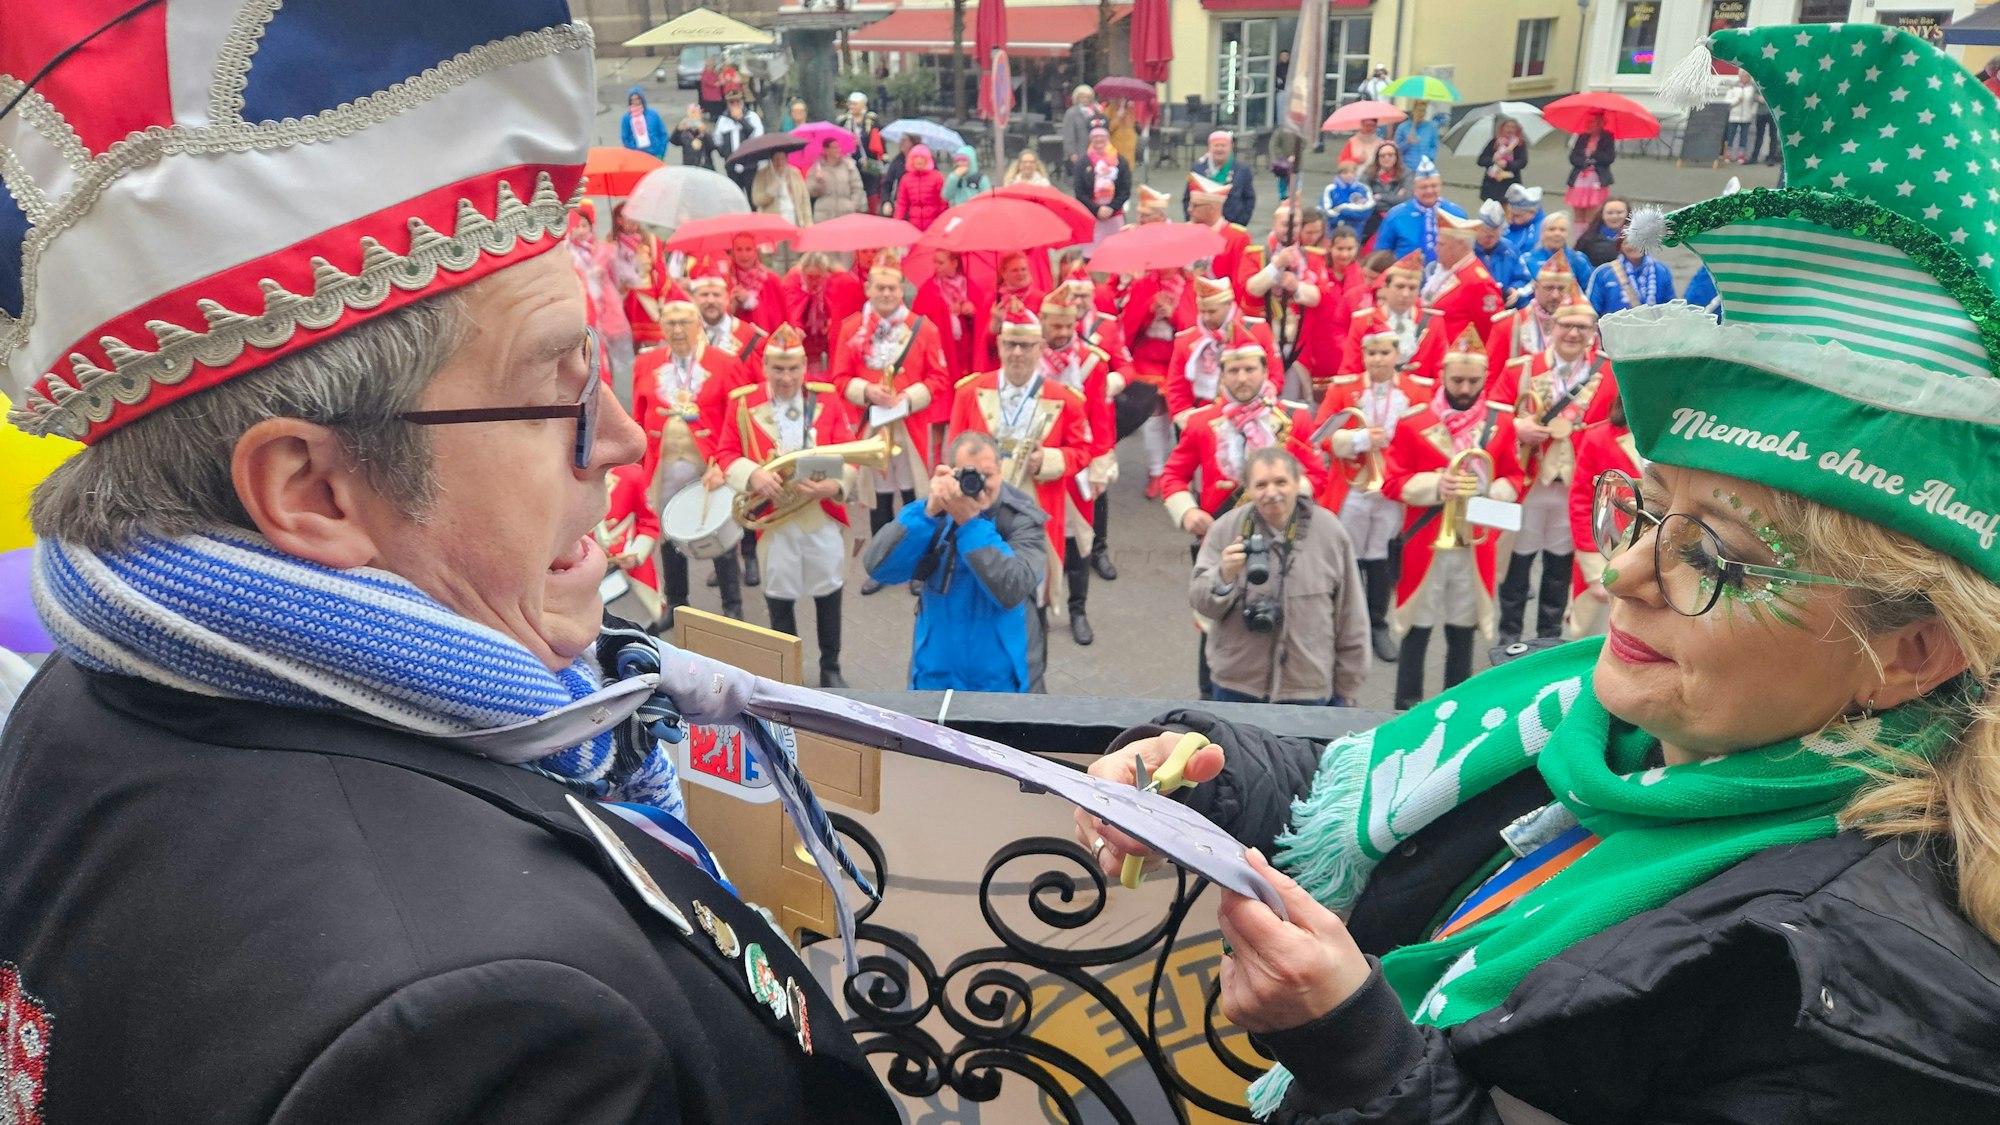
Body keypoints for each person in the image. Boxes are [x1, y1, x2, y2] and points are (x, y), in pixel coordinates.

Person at [1078, 26, 2000, 1124]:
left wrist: (1356, 1055)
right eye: (1651, 514)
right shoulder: (1604, 727)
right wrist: (1213, 770)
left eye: (1714, 558)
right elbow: (1413, 829)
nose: (1620, 570)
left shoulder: (1865, 994)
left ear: (1906, 655)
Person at [0, 5, 901, 1118]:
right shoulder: (497, 1023)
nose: (618, 438)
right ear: (314, 493)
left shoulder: (81, 700)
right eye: (559, 382)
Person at [1163, 331, 1327, 697]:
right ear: (1221, 375)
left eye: (1249, 369)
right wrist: (1187, 512)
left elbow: (1317, 476)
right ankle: (1210, 702)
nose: (1242, 378)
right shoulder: (1201, 422)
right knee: (1212, 619)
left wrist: (1279, 494)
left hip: (1283, 542)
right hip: (1221, 543)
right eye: (1233, 370)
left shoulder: (1293, 422)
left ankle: (1273, 690)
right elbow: (1173, 475)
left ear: (1265, 371)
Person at [1382, 327, 1525, 707]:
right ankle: (1405, 707)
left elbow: (1514, 475)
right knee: (1417, 627)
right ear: (1442, 376)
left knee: (1463, 629)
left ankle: (1454, 706)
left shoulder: (1502, 423)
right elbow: (1391, 482)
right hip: (1426, 540)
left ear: (1484, 380)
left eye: (1473, 381)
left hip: (1474, 541)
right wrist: (1435, 485)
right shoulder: (1413, 423)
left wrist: (1491, 492)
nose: (1464, 388)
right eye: (1457, 380)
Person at [947, 305, 1095, 660]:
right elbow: (952, 450)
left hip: (1035, 516)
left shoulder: (1065, 398)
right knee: (978, 589)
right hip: (978, 512)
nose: (1017, 353)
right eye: (1011, 344)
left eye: (1025, 346)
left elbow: (1083, 451)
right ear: (999, 345)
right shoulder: (971, 392)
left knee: (1033, 598)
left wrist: (1051, 460)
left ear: (1041, 347)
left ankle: (1032, 675)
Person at [715, 325, 856, 688]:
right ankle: (787, 674)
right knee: (779, 594)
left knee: (829, 588)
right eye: (778, 369)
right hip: (773, 519)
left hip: (819, 514)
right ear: (764, 367)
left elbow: (851, 452)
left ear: (805, 366)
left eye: (793, 369)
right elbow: (726, 453)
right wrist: (753, 475)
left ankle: (831, 666)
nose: (787, 377)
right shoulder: (743, 404)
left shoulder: (827, 399)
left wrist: (834, 485)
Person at [861, 432, 1048, 691]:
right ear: (949, 473)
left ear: (1001, 470)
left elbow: (1012, 588)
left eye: (988, 474)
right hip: (936, 678)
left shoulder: (1021, 519)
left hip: (1001, 685)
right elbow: (878, 567)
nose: (980, 484)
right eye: (968, 475)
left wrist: (970, 525)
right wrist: (926, 515)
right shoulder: (933, 515)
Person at [1195, 445, 1370, 705]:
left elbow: (1351, 615)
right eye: (1261, 485)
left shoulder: (1331, 532)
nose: (1271, 493)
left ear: (1298, 482)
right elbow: (1201, 603)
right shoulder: (1225, 529)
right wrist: (1224, 575)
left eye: (1281, 482)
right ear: (1248, 489)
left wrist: (1347, 687)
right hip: (1237, 684)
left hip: (1306, 687)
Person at [832, 263, 953, 592]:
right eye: (880, 287)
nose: (886, 294)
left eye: (893, 288)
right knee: (879, 503)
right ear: (869, 289)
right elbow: (839, 378)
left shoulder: (923, 329)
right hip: (873, 431)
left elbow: (939, 378)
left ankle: (920, 566)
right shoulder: (851, 329)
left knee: (918, 501)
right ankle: (882, 565)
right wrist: (867, 391)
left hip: (910, 428)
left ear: (902, 291)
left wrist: (907, 398)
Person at [1496, 296, 1608, 646]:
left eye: (1582, 327)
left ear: (1592, 333)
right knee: (1518, 556)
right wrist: (1517, 427)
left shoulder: (1607, 373)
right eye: (1566, 325)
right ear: (1551, 327)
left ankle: (1548, 638)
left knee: (1560, 563)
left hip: (1576, 485)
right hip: (1530, 478)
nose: (1573, 334)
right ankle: (1509, 635)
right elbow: (1492, 413)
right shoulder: (1523, 368)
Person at [1313, 329, 1429, 662]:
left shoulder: (1416, 391)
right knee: (1347, 555)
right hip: (1352, 487)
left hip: (1390, 489)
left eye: (1384, 353)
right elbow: (1321, 435)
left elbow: (1424, 437)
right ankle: (1342, 625)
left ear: (1397, 355)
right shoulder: (1342, 388)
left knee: (1379, 555)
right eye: (1371, 353)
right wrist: (1359, 439)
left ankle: (1377, 623)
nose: (1377, 359)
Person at [634, 300, 751, 617]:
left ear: (699, 325)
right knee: (669, 535)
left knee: (719, 533)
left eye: (685, 322)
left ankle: (732, 607)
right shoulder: (646, 364)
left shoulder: (724, 363)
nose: (678, 329)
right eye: (670, 323)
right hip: (665, 466)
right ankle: (676, 605)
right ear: (661, 328)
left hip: (709, 464)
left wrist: (726, 463)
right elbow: (639, 416)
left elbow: (740, 419)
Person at [1037, 293, 1120, 641]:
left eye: (1069, 325)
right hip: (1040, 465)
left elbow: (1101, 421)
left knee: (1080, 541)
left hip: (1080, 465)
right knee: (1038, 538)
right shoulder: (1030, 359)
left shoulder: (1092, 362)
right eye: (1056, 325)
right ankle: (1037, 611)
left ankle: (1078, 610)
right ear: (1042, 323)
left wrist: (1100, 469)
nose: (1063, 332)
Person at [1561, 387, 1637, 640]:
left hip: (1653, 565)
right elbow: (1581, 503)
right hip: (1605, 555)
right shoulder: (1598, 438)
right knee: (1589, 643)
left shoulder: (1676, 443)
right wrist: (1594, 573)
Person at [1167, 276, 1282, 426]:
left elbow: (1275, 376)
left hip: (1252, 416)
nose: (1206, 317)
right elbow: (1176, 388)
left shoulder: (1257, 331)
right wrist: (1189, 422)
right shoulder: (1186, 340)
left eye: (1212, 311)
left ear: (1228, 305)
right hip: (1204, 423)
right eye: (1202, 312)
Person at [1485, 251, 1586, 395]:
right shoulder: (1508, 325)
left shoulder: (1583, 328)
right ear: (1535, 288)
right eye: (1549, 288)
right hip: (1520, 407)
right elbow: (1490, 379)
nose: (1555, 295)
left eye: (1562, 289)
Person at [1339, 250, 1442, 378]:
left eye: (1412, 288)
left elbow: (1441, 376)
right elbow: (1349, 372)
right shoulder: (1363, 321)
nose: (1405, 294)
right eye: (1400, 287)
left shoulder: (1434, 323)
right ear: (1385, 288)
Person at [1417, 212, 1505, 354]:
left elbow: (1493, 331)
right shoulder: (1445, 270)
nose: (1436, 249)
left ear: (1461, 246)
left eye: (1441, 244)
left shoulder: (1477, 281)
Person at [1375, 157, 1467, 267]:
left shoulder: (1456, 214)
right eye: (1423, 187)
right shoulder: (1396, 215)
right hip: (1406, 279)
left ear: (1441, 186)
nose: (1429, 191)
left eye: (1434, 186)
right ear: (1414, 189)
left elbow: (1467, 252)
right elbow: (1381, 254)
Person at [780, 251, 849, 370]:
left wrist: (833, 322)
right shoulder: (792, 281)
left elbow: (841, 309)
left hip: (826, 336)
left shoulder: (837, 280)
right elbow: (790, 308)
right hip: (806, 337)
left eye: (817, 277)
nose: (813, 281)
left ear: (826, 273)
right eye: (809, 277)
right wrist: (796, 326)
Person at [1586, 233, 1675, 316]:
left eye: (1639, 241)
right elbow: (1591, 311)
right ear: (1620, 246)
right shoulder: (1604, 273)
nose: (1634, 246)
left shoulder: (1661, 270)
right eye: (1628, 242)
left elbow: (1670, 307)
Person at [1074, 127, 1132, 249]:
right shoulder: (1082, 163)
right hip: (1092, 215)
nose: (1099, 139)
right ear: (1090, 139)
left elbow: (1125, 189)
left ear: (1108, 138)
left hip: (1115, 214)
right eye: (1095, 137)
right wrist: (1097, 209)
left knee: (1116, 250)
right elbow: (1079, 192)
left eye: (1102, 136)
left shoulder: (1121, 162)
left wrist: (1111, 208)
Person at [1185, 131, 1257, 228]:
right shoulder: (1198, 169)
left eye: (1223, 146)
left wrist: (1242, 222)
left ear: (1230, 147)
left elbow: (1249, 198)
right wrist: (1192, 220)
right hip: (1201, 227)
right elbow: (1187, 198)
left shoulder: (1242, 170)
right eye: (1216, 145)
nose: (1219, 149)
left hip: (1232, 225)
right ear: (1209, 147)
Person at [1470, 200, 1528, 308]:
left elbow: (1524, 279)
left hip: (1503, 309)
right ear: (1476, 228)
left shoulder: (1510, 250)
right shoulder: (1466, 250)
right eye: (1486, 234)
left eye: (1495, 235)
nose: (1490, 239)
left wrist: (1515, 290)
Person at [726, 233, 788, 334]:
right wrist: (732, 305)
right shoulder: (727, 280)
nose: (744, 255)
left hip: (770, 339)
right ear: (733, 252)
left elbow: (783, 314)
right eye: (739, 249)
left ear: (756, 251)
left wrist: (749, 301)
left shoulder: (771, 279)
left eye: (748, 249)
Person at [1517, 210, 1591, 291]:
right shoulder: (1527, 260)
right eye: (1552, 229)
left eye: (1562, 230)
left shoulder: (1578, 259)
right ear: (1542, 233)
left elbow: (1588, 291)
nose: (1557, 233)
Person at [1565, 115, 1616, 232]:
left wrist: (1594, 153)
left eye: (1592, 122)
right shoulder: (1582, 136)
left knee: (1591, 215)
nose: (1589, 124)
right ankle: (1578, 241)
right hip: (1580, 178)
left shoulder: (1607, 137)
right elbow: (1573, 158)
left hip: (1596, 179)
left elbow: (1609, 159)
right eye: (1589, 121)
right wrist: (1584, 161)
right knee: (1578, 214)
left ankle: (1587, 241)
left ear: (1600, 124)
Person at [837, 92, 887, 209]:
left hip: (869, 160)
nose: (851, 107)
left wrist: (883, 159)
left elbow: (879, 142)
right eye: (850, 104)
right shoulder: (844, 121)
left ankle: (873, 213)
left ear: (862, 105)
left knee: (872, 188)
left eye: (855, 104)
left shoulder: (872, 120)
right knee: (853, 187)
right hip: (850, 160)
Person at [806, 139, 867, 222]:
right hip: (824, 215)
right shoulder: (817, 168)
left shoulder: (849, 166)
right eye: (834, 147)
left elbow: (857, 187)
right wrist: (818, 181)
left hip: (845, 214)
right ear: (826, 150)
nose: (838, 150)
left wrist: (853, 205)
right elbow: (811, 192)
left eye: (838, 147)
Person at [1476, 115, 1529, 203]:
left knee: (1508, 212)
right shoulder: (1494, 142)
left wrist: (1507, 164)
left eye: (1513, 127)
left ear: (1517, 130)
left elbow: (1522, 162)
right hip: (1492, 184)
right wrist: (1493, 159)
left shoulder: (1519, 144)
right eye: (1507, 127)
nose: (1510, 129)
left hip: (1510, 184)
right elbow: (1481, 161)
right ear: (1502, 128)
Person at [751, 153, 812, 228]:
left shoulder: (794, 173)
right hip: (773, 224)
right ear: (771, 161)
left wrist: (808, 221)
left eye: (782, 159)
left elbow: (804, 198)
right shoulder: (762, 174)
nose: (780, 162)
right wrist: (771, 190)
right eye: (776, 159)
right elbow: (756, 200)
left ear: (786, 159)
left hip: (795, 220)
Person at [1572, 194, 1628, 269]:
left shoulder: (1637, 238)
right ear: (1602, 215)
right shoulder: (1588, 239)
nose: (1614, 217)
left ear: (1628, 214)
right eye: (1610, 213)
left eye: (1619, 212)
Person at [714, 91, 764, 173]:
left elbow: (758, 137)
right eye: (732, 102)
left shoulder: (752, 117)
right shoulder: (723, 120)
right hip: (731, 164)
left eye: (738, 101)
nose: (735, 104)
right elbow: (717, 140)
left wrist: (741, 119)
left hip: (749, 164)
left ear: (742, 102)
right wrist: (725, 154)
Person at [1320, 161, 1375, 233]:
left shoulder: (1364, 189)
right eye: (1345, 173)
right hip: (1334, 230)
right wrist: (1349, 214)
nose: (1349, 175)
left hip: (1356, 230)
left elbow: (1366, 212)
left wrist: (1342, 209)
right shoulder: (1330, 189)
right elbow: (1327, 212)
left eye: (1351, 173)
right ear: (1339, 174)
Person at [1062, 84, 1103, 171]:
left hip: (1096, 150)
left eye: (1087, 97)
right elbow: (1068, 135)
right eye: (1082, 97)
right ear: (1077, 98)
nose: (1085, 99)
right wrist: (1072, 153)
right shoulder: (1071, 113)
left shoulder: (1096, 111)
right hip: (1079, 151)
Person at [621, 86, 667, 159]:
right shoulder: (627, 118)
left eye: (637, 99)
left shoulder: (653, 115)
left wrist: (661, 151)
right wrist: (632, 149)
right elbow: (625, 138)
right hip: (637, 156)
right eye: (632, 100)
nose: (635, 102)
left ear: (642, 99)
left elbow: (663, 134)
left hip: (655, 154)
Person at [1393, 103, 1444, 169]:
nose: (1421, 113)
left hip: (1425, 167)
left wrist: (1430, 160)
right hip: (1406, 168)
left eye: (1423, 110)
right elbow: (1396, 150)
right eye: (1418, 110)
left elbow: (1434, 147)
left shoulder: (1431, 128)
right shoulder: (1402, 127)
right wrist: (1407, 142)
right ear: (1413, 111)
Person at [1500, 183, 1544, 255]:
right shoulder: (1514, 224)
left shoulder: (1539, 234)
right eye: (1508, 213)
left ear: (1532, 212)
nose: (1510, 219)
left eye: (1516, 216)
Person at [1724, 71, 1757, 164]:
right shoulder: (1733, 87)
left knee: (1744, 137)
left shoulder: (1752, 88)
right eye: (1743, 76)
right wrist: (1737, 99)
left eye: (1747, 76)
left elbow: (1753, 101)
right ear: (1740, 77)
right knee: (1731, 135)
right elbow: (1727, 101)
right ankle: (1728, 154)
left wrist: (1752, 113)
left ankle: (1741, 155)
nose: (1745, 78)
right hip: (1734, 116)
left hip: (1746, 116)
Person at [671, 102, 715, 169]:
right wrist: (678, 129)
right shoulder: (684, 132)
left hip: (705, 165)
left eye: (696, 113)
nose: (694, 117)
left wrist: (705, 133)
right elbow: (674, 141)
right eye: (692, 114)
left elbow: (712, 146)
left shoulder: (704, 129)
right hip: (688, 166)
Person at [1748, 83, 1777, 165]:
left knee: (1773, 136)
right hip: (1760, 113)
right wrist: (1758, 97)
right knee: (1759, 135)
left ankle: (1771, 158)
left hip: (1773, 113)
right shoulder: (1758, 81)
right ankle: (1754, 157)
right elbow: (1753, 95)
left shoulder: (1775, 82)